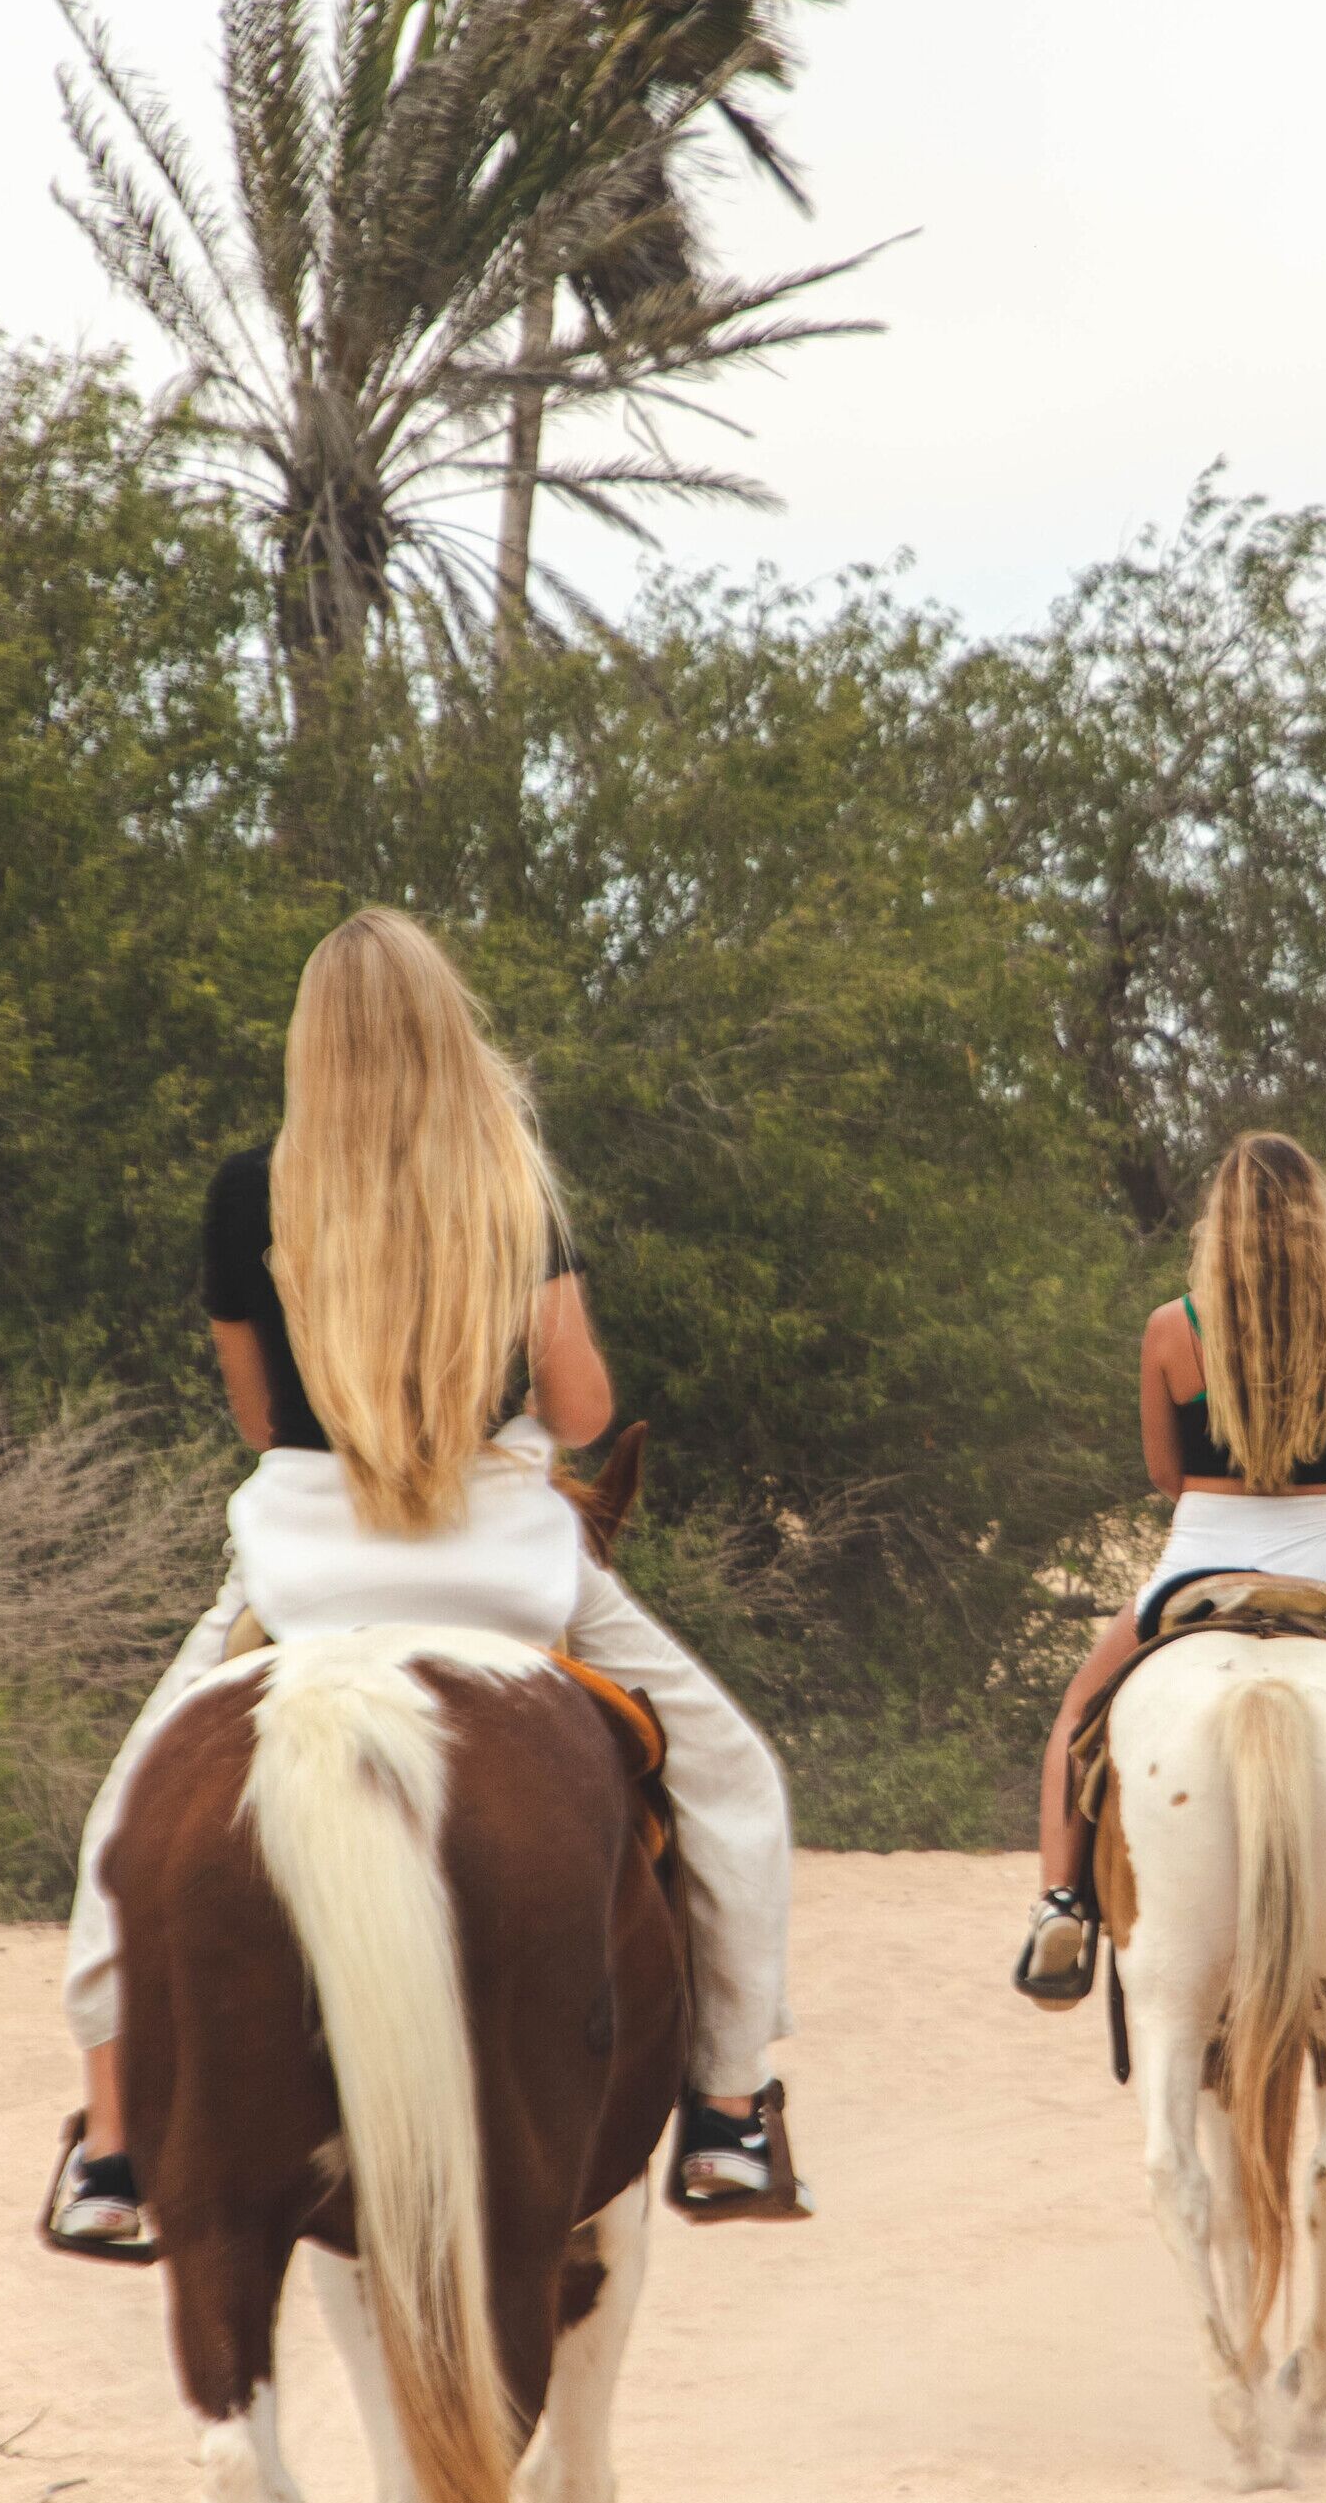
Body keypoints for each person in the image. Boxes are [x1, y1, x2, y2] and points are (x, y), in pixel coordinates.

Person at [46, 908, 803, 2251]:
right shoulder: (509, 1181)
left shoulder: (245, 1193)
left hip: (306, 1569)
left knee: (127, 1822)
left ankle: (107, 2154)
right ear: (451, 1029)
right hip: (505, 1570)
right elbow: (577, 1411)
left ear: (311, 1046)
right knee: (733, 1780)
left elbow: (256, 1420)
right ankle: (731, 2111)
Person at [1014, 1131, 1326, 2010]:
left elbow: (1164, 1477)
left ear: (1219, 1219)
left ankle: (1060, 1907)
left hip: (1199, 1549)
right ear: (1313, 1217)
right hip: (1323, 1556)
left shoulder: (1172, 1328)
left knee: (1079, 1713)